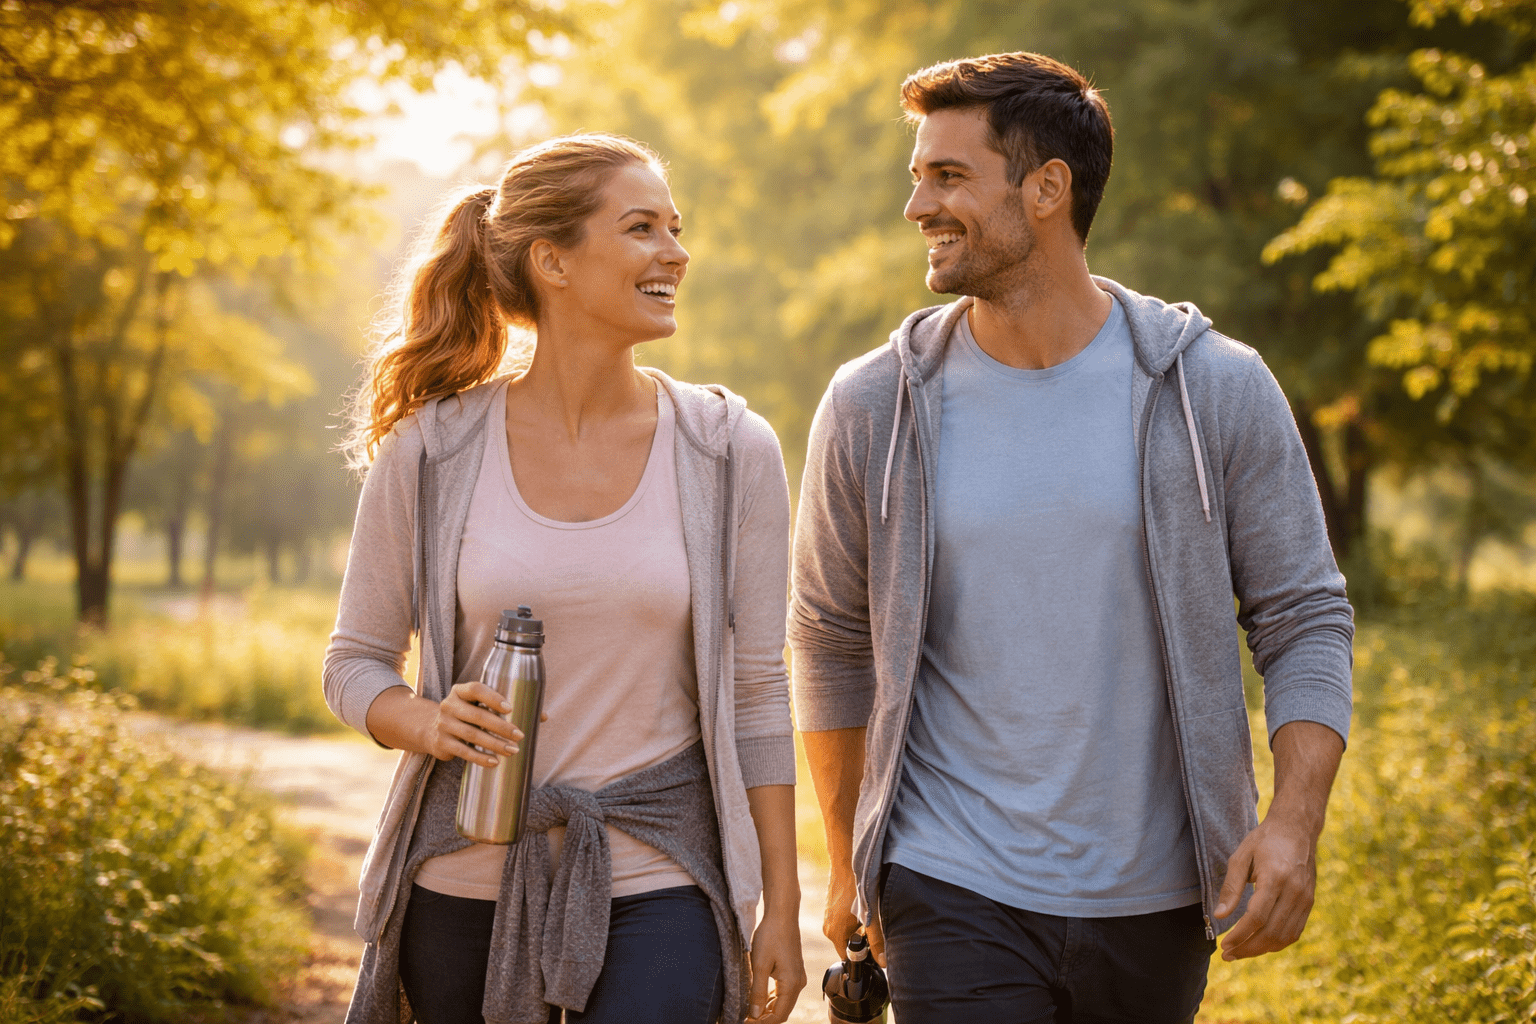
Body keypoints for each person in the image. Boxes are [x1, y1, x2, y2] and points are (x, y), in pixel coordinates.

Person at [789, 52, 1354, 1023]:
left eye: (948, 176)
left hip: (1159, 893)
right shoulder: (875, 405)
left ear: (1048, 189)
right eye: (917, 175)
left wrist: (1295, 824)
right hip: (946, 880)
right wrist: (847, 860)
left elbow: (1303, 616)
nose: (917, 205)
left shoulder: (1210, 388)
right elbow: (830, 639)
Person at [323, 133, 805, 1024]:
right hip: (465, 874)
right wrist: (427, 722)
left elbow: (759, 690)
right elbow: (352, 664)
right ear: (552, 259)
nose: (676, 252)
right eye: (642, 229)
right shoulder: (431, 450)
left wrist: (782, 902)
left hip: (660, 874)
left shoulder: (729, 450)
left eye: (676, 227)